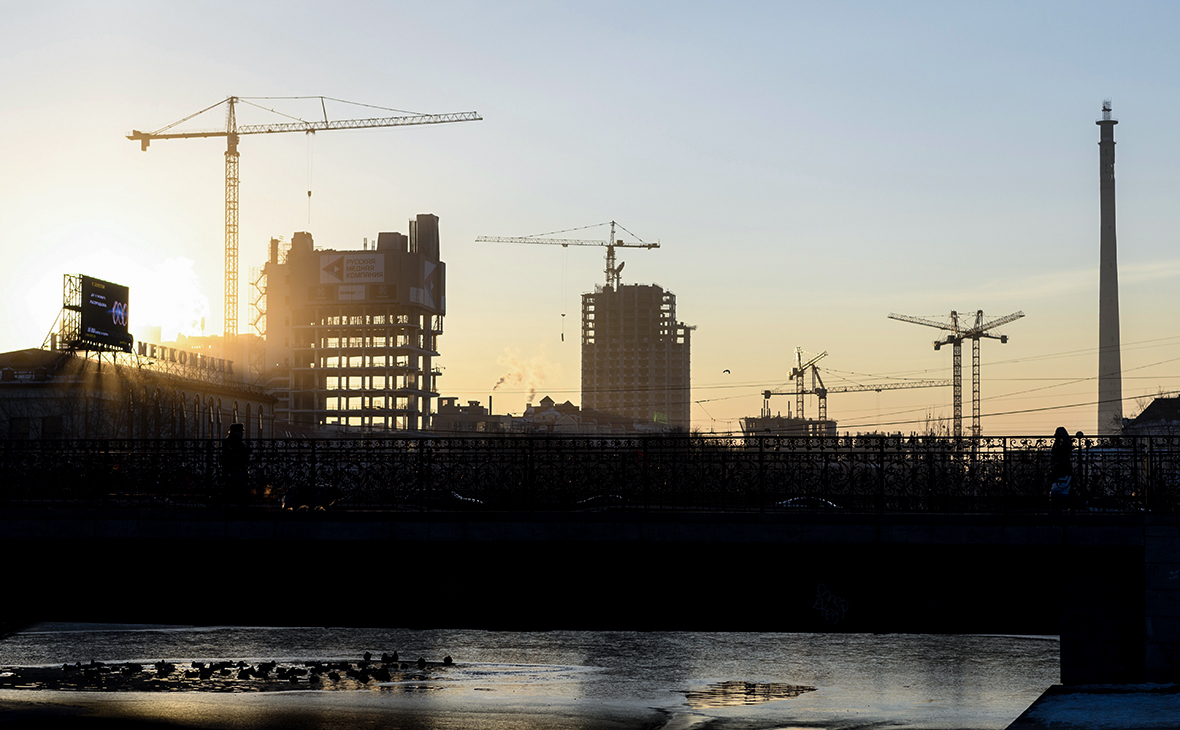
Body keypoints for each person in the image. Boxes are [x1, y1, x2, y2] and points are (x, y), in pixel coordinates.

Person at [221, 422, 251, 507]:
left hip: (237, 468)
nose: (241, 433)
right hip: (233, 469)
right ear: (234, 432)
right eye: (240, 431)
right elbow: (231, 455)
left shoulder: (236, 441)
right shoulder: (231, 442)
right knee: (236, 487)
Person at [1048, 426, 1073, 511]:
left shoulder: (1059, 444)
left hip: (1059, 469)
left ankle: (1057, 508)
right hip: (1065, 469)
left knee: (1056, 490)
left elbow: (1055, 454)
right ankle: (1064, 507)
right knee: (1064, 489)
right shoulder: (1066, 444)